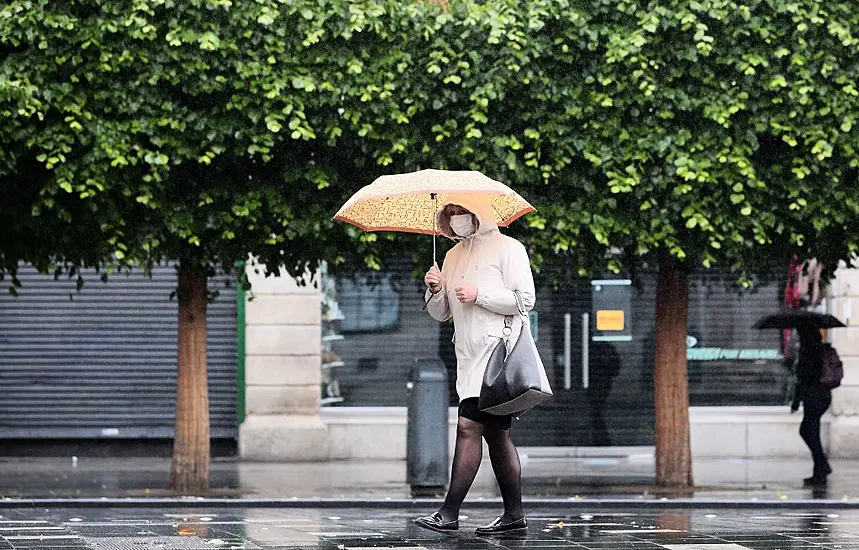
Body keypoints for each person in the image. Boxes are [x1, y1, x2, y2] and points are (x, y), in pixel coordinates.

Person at [415, 194, 535, 536]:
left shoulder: (509, 249)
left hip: (497, 356)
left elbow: (525, 300)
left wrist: (479, 293)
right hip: (467, 358)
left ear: (478, 212)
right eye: (450, 213)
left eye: (462, 211)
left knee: (468, 426)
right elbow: (443, 313)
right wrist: (436, 290)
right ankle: (514, 515)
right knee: (497, 435)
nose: (456, 218)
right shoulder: (452, 256)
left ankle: (448, 512)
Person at [791, 327, 833, 486]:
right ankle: (820, 468)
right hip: (823, 395)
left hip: (813, 396)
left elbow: (802, 380)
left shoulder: (808, 353)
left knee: (808, 431)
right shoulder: (820, 350)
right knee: (809, 431)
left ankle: (821, 467)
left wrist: (795, 402)